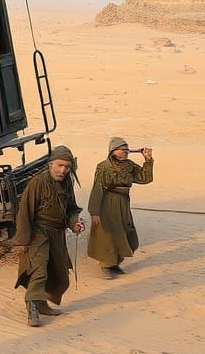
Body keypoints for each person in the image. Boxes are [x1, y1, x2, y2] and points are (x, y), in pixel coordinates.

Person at [13, 144, 86, 327]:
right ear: (51, 164)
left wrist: (75, 223)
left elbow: (71, 210)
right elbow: (24, 212)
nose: (63, 170)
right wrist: (23, 241)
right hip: (38, 232)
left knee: (57, 272)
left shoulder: (67, 182)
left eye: (67, 167)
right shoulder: (38, 183)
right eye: (60, 165)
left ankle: (43, 304)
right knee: (38, 270)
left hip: (57, 233)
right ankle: (32, 309)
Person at [87, 137, 154, 278]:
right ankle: (106, 265)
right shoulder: (103, 167)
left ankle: (115, 263)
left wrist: (148, 160)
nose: (126, 152)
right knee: (108, 234)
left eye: (127, 150)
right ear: (113, 150)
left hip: (123, 203)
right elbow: (97, 189)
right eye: (122, 150)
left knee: (125, 232)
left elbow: (144, 178)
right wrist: (94, 212)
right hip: (107, 202)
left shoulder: (129, 165)